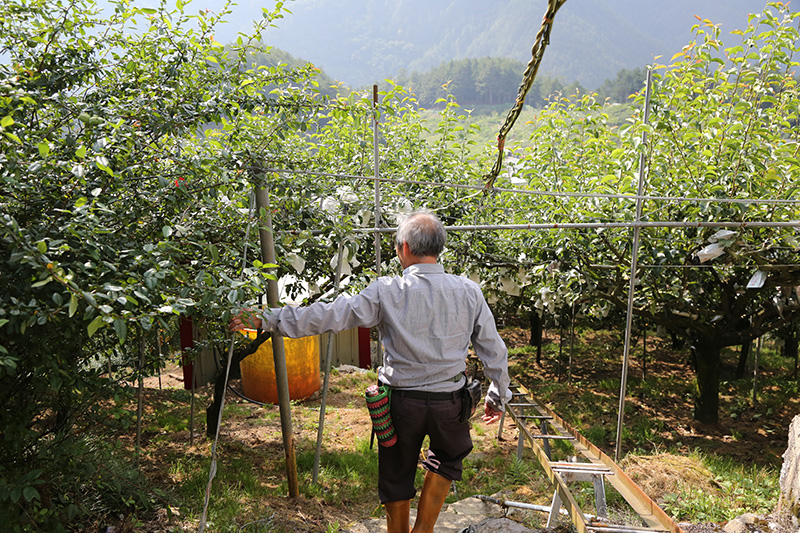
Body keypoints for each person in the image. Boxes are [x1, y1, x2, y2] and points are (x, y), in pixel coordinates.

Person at [230, 211, 511, 533]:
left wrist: (267, 318)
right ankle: (424, 529)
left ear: (403, 247)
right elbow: (493, 348)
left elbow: (329, 316)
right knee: (447, 460)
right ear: (439, 248)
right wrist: (498, 393)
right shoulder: (468, 291)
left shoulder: (387, 290)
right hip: (451, 401)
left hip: (401, 404)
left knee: (396, 472)